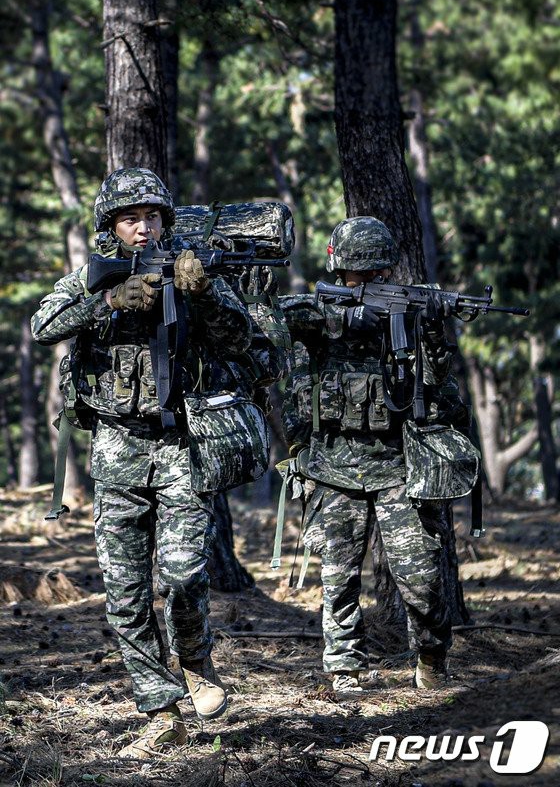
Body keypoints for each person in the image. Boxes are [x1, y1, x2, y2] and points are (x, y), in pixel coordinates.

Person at [31, 168, 253, 757]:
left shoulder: (192, 266)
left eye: (153, 216)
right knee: (125, 594)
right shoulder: (92, 276)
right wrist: (107, 301)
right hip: (116, 450)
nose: (144, 226)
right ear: (111, 225)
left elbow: (244, 341)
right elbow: (42, 326)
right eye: (132, 217)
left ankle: (197, 662)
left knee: (182, 575)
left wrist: (201, 293)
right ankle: (160, 708)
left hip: (183, 446)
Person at [279, 217, 461, 697]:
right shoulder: (319, 309)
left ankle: (431, 655)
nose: (370, 285)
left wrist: (437, 328)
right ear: (341, 272)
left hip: (401, 467)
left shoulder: (409, 310)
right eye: (358, 278)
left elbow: (441, 389)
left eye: (378, 276)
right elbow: (282, 318)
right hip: (334, 466)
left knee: (421, 577)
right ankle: (344, 668)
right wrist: (346, 317)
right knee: (337, 578)